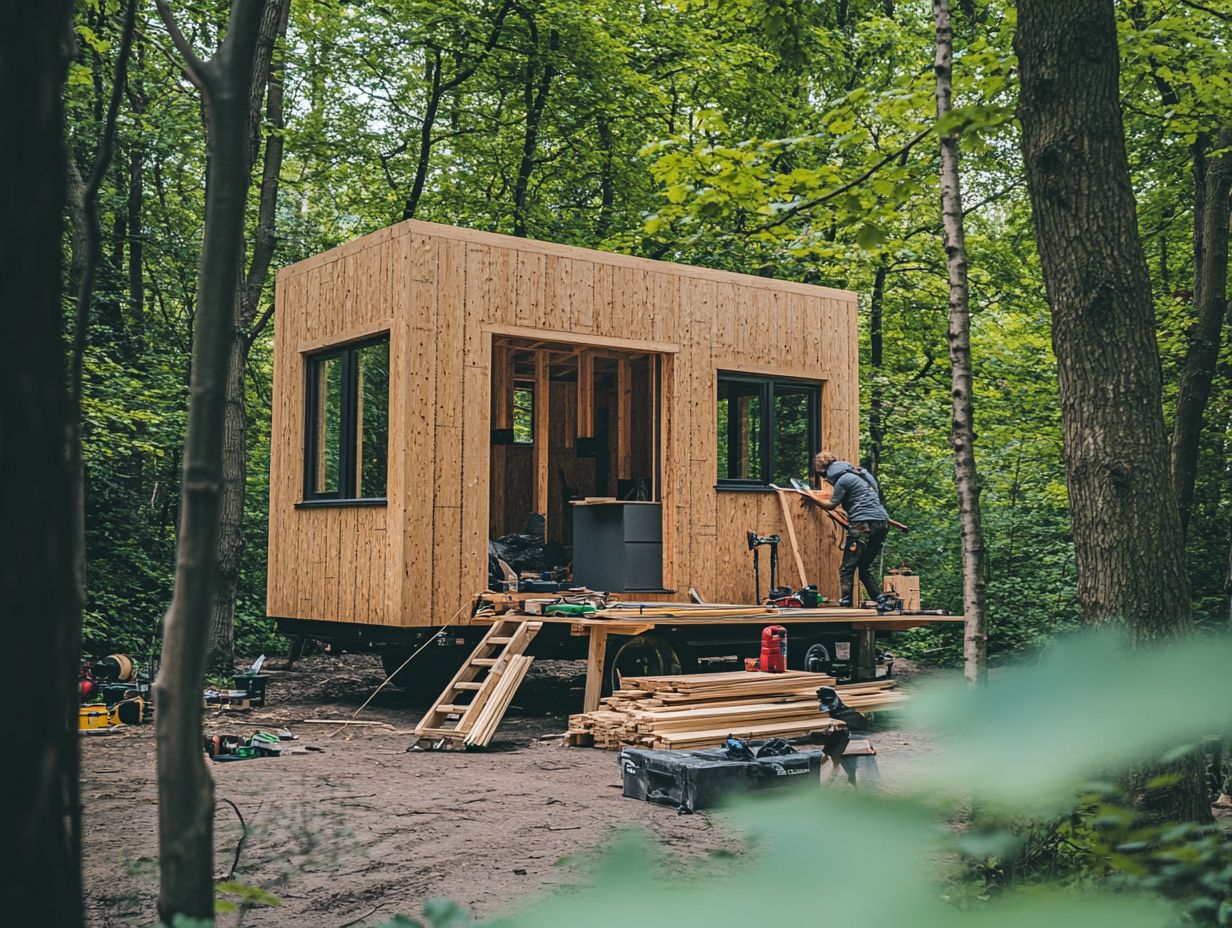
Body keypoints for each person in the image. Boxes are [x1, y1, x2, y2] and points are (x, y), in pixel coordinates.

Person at [809, 451, 889, 606]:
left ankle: (846, 603)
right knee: (864, 565)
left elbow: (832, 504)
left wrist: (812, 499)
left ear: (824, 471)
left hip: (862, 524)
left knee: (847, 567)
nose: (825, 480)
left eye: (822, 476)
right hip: (882, 523)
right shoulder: (862, 474)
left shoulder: (842, 480)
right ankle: (880, 599)